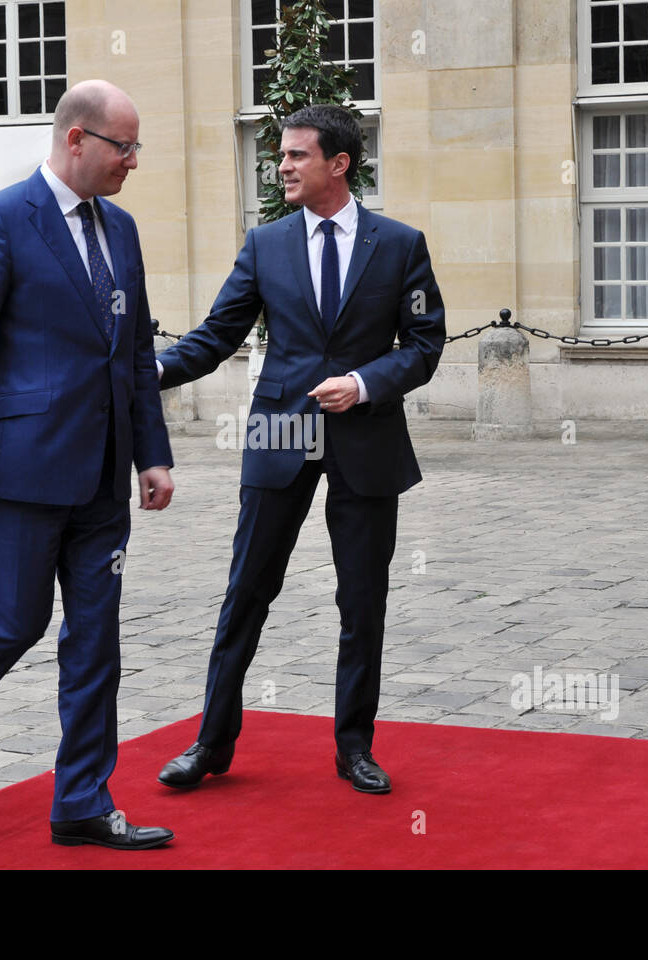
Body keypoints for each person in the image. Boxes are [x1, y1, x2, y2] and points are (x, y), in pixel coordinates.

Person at [155, 104, 446, 794]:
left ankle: (354, 749)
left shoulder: (400, 245)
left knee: (362, 600)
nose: (281, 165)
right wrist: (148, 370)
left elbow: (426, 346)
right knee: (245, 592)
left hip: (366, 439)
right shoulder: (267, 245)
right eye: (280, 155)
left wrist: (364, 382)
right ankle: (211, 744)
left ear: (338, 164)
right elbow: (216, 335)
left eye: (295, 155)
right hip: (279, 431)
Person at [0, 79, 177, 850]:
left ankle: (82, 805)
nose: (132, 161)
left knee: (97, 641)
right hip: (18, 471)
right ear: (76, 139)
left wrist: (152, 454)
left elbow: (133, 355)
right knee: (17, 622)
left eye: (136, 148)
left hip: (103, 477)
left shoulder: (122, 229)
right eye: (121, 147)